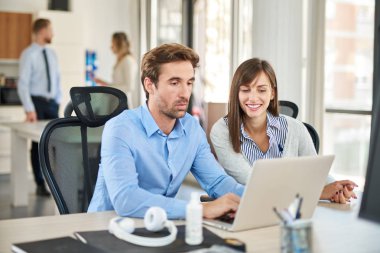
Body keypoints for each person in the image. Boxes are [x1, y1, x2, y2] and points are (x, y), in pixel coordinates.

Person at [88, 43, 243, 219]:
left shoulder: (191, 129)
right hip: (106, 229)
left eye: (189, 83)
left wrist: (257, 200)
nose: (185, 93)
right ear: (149, 85)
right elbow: (126, 199)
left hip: (158, 227)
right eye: (175, 83)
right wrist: (200, 210)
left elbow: (218, 182)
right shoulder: (120, 129)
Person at [210, 58, 357, 204]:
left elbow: (316, 174)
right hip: (246, 212)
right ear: (236, 93)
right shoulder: (222, 131)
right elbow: (251, 182)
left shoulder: (296, 128)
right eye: (245, 90)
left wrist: (339, 188)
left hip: (291, 213)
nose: (253, 98)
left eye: (261, 90)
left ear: (272, 93)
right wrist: (317, 193)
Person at [17, 18, 62, 197]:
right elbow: (23, 84)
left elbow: (57, 79)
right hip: (36, 103)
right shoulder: (28, 54)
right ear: (42, 31)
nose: (53, 34)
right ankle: (39, 183)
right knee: (37, 145)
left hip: (52, 104)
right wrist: (29, 109)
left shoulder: (52, 54)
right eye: (50, 30)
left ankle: (57, 181)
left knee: (55, 143)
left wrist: (57, 100)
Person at [94, 32, 138, 108]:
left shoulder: (128, 61)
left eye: (113, 43)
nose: (111, 47)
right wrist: (104, 83)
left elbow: (129, 87)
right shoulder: (122, 60)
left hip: (123, 103)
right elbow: (118, 84)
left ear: (119, 44)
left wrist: (108, 87)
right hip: (116, 102)